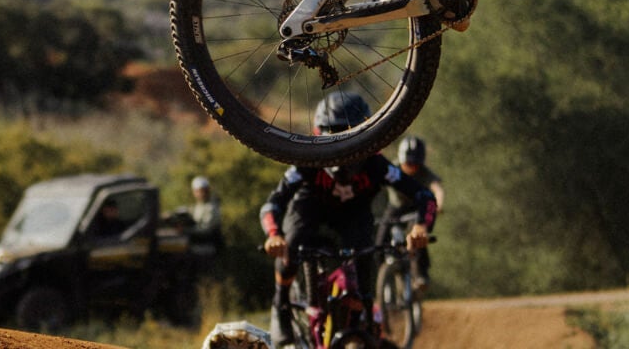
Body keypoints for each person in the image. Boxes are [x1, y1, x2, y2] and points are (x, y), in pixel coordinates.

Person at [259, 93, 437, 348]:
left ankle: (365, 316)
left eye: (349, 133)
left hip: (354, 217)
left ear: (365, 133)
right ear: (317, 133)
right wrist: (274, 234)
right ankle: (281, 306)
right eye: (332, 133)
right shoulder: (307, 161)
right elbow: (273, 202)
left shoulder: (377, 165)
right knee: (291, 246)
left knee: (363, 275)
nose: (341, 143)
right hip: (309, 210)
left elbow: (424, 195)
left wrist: (420, 227)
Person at [390, 137, 444, 292]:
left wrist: (438, 204)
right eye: (408, 163)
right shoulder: (391, 168)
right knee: (380, 238)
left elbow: (437, 189)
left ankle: (421, 274)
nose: (411, 167)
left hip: (415, 208)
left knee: (418, 236)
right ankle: (388, 269)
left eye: (415, 164)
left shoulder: (425, 173)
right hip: (395, 207)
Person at [188, 175, 224, 256]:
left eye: (203, 191)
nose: (200, 194)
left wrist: (185, 231)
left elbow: (206, 230)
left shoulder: (212, 207)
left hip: (208, 247)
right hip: (198, 244)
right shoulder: (198, 206)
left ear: (208, 191)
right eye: (197, 191)